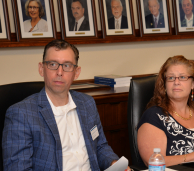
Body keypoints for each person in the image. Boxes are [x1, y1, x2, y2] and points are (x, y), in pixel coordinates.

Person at [2, 40, 122, 170]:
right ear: (41, 69)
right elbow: (18, 168)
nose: (59, 72)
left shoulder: (87, 103)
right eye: (52, 64)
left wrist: (114, 164)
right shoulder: (21, 114)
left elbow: (100, 146)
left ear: (76, 72)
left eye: (67, 65)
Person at [137, 55, 194, 167]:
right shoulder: (154, 117)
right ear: (165, 85)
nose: (176, 82)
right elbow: (153, 162)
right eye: (171, 78)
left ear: (193, 84)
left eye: (182, 77)